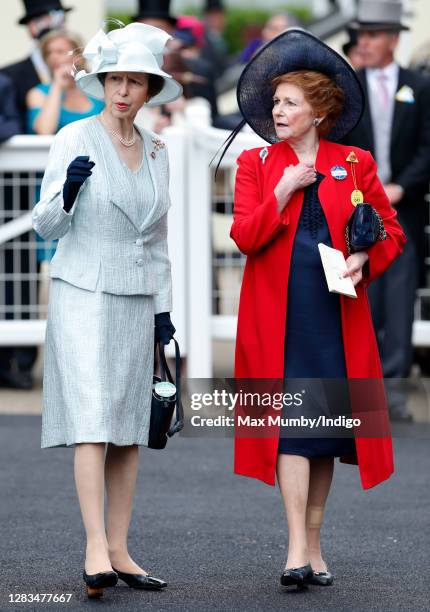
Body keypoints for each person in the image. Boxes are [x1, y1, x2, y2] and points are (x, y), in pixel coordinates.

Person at [224, 29, 406, 589]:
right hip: (278, 313)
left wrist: (362, 260)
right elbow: (244, 237)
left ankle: (315, 544)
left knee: (324, 428)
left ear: (318, 110)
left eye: (288, 102)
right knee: (290, 429)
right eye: (275, 102)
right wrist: (282, 190)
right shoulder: (256, 164)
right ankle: (296, 548)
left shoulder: (354, 161)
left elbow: (389, 232)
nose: (277, 111)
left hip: (336, 310)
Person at [32, 22, 182, 599]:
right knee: (93, 419)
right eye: (114, 79)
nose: (123, 90)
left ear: (149, 90)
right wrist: (67, 193)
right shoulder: (74, 137)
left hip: (136, 297)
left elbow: (159, 237)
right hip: (85, 292)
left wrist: (164, 311)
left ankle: (120, 547)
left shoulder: (158, 148)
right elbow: (46, 224)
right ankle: (95, 544)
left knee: (127, 428)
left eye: (134, 82)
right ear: (101, 83)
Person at [343, 0, 430, 421]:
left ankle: (393, 394)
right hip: (358, 213)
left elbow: (428, 147)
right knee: (362, 299)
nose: (366, 42)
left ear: (394, 39)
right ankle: (362, 394)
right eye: (363, 34)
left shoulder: (420, 85)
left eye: (375, 34)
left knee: (398, 302)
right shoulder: (350, 87)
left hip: (405, 210)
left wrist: (399, 187)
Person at [1, 0, 72, 128]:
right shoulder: (9, 76)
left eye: (61, 19)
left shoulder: (77, 71)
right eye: (49, 19)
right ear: (32, 27)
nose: (59, 27)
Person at [26, 29, 105, 135]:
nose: (53, 57)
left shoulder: (98, 91)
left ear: (79, 57)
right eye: (48, 53)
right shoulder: (37, 94)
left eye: (60, 52)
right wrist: (57, 86)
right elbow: (45, 132)